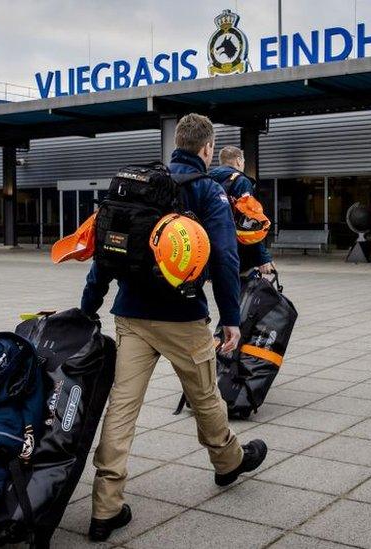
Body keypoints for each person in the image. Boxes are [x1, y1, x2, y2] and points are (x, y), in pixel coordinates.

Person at [80, 114, 268, 542]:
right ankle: (228, 462)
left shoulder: (142, 185)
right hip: (183, 319)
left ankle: (104, 508)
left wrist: (88, 308)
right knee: (205, 398)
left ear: (176, 145)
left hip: (130, 316)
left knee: (122, 410)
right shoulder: (206, 190)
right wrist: (232, 319)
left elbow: (106, 254)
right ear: (207, 150)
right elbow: (224, 258)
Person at [209, 146, 275, 276]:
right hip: (237, 253)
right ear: (239, 161)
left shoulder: (208, 181)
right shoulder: (241, 182)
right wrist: (263, 258)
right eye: (243, 162)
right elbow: (249, 224)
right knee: (240, 292)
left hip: (213, 250)